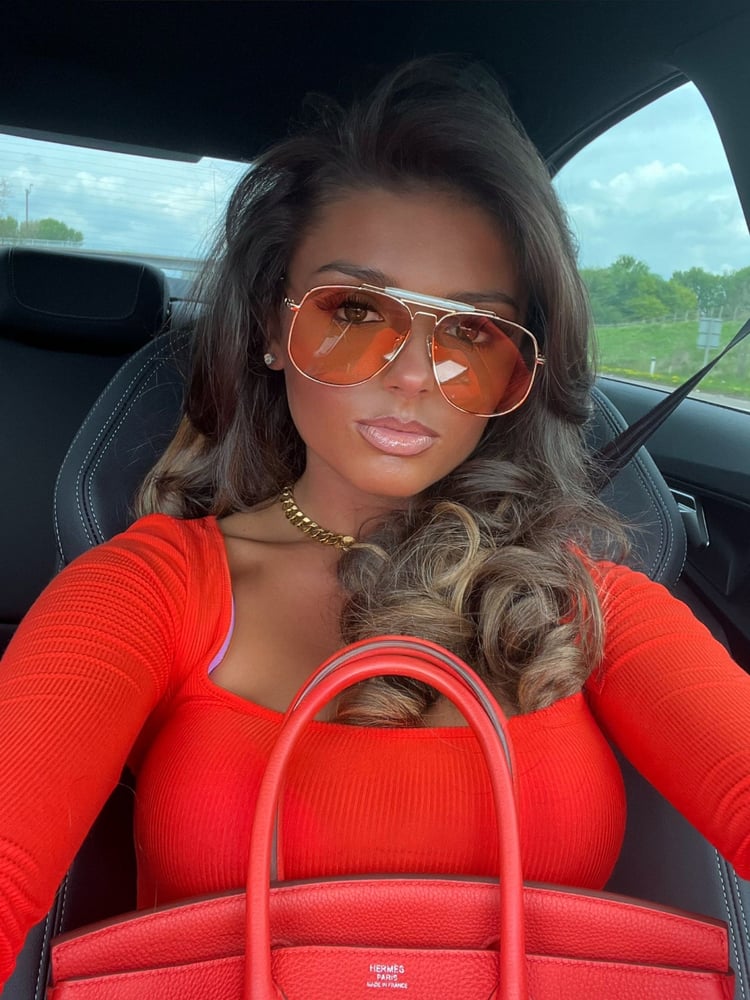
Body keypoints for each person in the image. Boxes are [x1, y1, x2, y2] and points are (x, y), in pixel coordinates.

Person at [1, 56, 749, 985]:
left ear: (517, 375)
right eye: (354, 310)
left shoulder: (583, 604)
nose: (413, 373)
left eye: (471, 330)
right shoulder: (152, 588)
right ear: (271, 329)